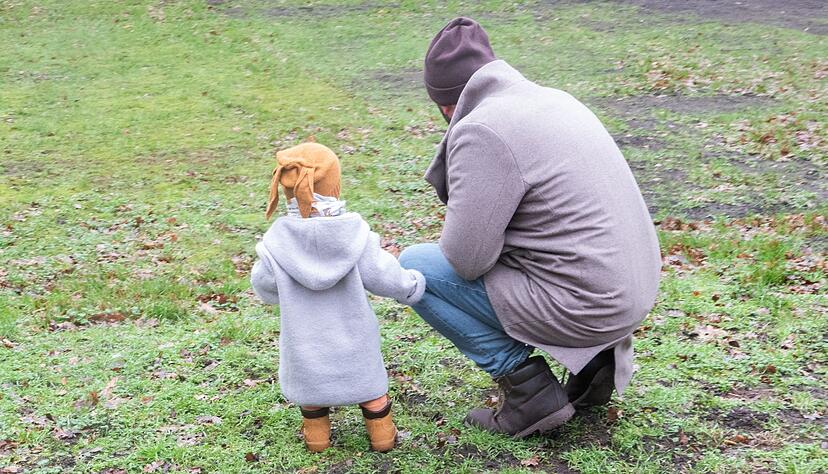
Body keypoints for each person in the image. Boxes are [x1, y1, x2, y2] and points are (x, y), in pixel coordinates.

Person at [399, 17, 661, 438]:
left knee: (416, 268)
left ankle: (529, 392)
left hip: (589, 304)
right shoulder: (554, 99)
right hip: (631, 293)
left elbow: (466, 260)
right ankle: (596, 362)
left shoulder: (482, 128)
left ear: (447, 104)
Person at [250, 142, 426, 452]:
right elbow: (383, 276)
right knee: (372, 393)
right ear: (334, 184)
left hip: (305, 346)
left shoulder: (276, 244)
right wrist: (411, 285)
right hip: (354, 342)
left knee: (312, 395)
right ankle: (382, 436)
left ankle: (317, 438)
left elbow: (265, 287)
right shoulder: (354, 235)